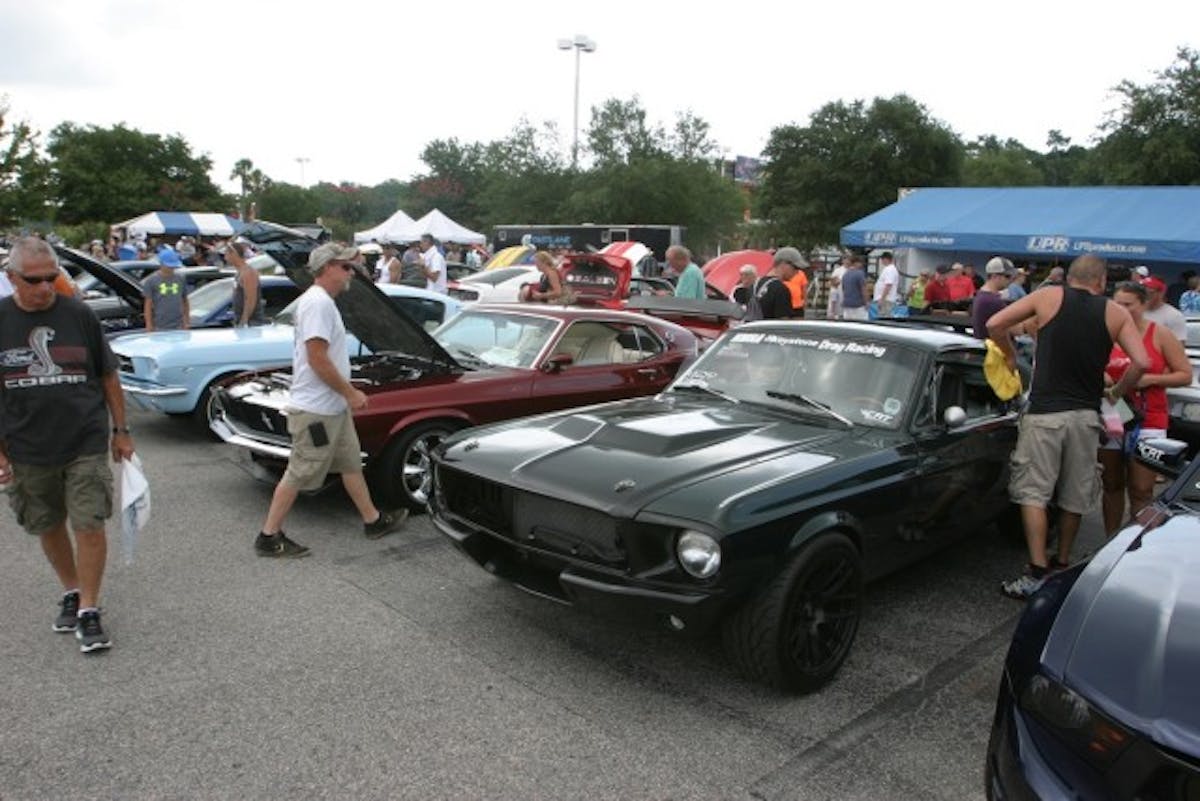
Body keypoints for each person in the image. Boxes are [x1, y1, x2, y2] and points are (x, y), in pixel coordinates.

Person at [987, 253, 1149, 600]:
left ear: (1070, 276)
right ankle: (1062, 563)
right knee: (1075, 493)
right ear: (1101, 282)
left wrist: (1010, 354)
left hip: (1045, 413)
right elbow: (1142, 362)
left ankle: (1036, 571)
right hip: (1086, 415)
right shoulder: (1115, 312)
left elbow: (994, 324)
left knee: (1034, 491)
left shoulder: (1047, 296)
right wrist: (1119, 391)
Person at [0, 236, 135, 653]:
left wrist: (121, 430)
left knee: (89, 523)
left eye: (51, 278)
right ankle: (72, 590)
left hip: (85, 440)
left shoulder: (79, 314)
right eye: (33, 280)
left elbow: (108, 375)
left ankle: (89, 610)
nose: (44, 288)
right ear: (11, 277)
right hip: (26, 446)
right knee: (47, 523)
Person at [254, 242, 408, 558]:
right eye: (346, 267)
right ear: (327, 268)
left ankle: (373, 520)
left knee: (350, 462)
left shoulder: (322, 302)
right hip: (316, 411)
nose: (351, 273)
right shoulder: (317, 304)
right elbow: (317, 358)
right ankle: (269, 537)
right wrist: (350, 392)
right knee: (300, 470)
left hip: (331, 408)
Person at [1097, 281, 1191, 537]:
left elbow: (1185, 375)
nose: (1122, 309)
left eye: (1128, 304)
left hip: (1150, 418)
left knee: (1141, 488)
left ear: (1143, 304)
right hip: (1112, 415)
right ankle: (1111, 539)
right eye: (1117, 304)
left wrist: (1151, 379)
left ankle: (1137, 541)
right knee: (1111, 483)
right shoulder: (1104, 334)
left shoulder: (1159, 334)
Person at [142, 247, 190, 331]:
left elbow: (185, 301)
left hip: (178, 325)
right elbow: (148, 304)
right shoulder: (151, 280)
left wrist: (186, 322)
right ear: (161, 264)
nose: (171, 269)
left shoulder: (180, 278)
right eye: (169, 266)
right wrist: (149, 324)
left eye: (173, 266)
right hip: (159, 325)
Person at [751, 249, 801, 320]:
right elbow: (783, 324)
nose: (797, 272)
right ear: (783, 264)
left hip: (752, 329)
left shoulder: (754, 284)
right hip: (770, 330)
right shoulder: (781, 289)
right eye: (795, 267)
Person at [970, 257, 1013, 339]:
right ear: (994, 276)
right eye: (1007, 276)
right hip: (994, 348)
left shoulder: (981, 295)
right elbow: (1015, 329)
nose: (1010, 280)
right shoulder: (992, 300)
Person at [225, 241, 264, 327]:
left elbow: (250, 300)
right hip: (240, 321)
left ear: (234, 254)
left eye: (226, 254)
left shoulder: (248, 272)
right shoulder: (239, 273)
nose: (225, 257)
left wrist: (244, 322)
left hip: (252, 323)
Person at [1140, 276, 1188, 341]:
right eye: (1142, 292)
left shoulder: (1173, 315)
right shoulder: (1135, 312)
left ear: (1161, 293)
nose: (1145, 296)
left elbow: (1179, 345)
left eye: (1149, 293)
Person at [840, 255, 868, 320]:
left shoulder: (845, 274)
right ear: (856, 263)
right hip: (858, 305)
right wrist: (866, 302)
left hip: (847, 304)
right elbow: (863, 289)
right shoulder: (860, 274)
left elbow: (843, 289)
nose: (861, 265)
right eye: (860, 263)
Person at [873, 251, 900, 317]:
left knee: (883, 318)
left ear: (886, 259)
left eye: (882, 259)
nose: (881, 261)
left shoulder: (890, 269)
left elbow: (888, 285)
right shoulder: (889, 269)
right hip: (886, 299)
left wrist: (882, 299)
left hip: (886, 300)